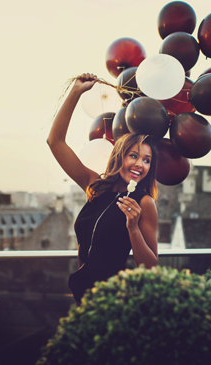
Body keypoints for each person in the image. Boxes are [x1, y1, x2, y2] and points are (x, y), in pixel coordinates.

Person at [47, 73, 159, 303]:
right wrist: (76, 92)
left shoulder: (145, 203)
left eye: (147, 160)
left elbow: (149, 265)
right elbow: (55, 141)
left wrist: (133, 228)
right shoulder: (94, 186)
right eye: (134, 156)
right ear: (119, 156)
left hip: (114, 300)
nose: (140, 164)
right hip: (82, 295)